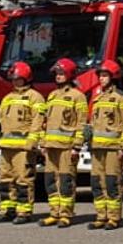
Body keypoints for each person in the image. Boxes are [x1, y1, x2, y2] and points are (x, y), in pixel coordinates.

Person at [36, 58, 89, 227]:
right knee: (51, 180)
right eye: (56, 74)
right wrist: (43, 143)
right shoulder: (52, 95)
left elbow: (81, 123)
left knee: (66, 181)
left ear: (69, 74)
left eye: (61, 73)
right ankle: (54, 212)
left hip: (67, 147)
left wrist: (77, 146)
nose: (58, 77)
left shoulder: (78, 96)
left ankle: (66, 214)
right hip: (51, 147)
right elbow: (45, 122)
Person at [0, 62, 43, 224]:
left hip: (23, 148)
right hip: (6, 147)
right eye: (12, 79)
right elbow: (0, 120)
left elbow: (38, 121)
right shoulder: (8, 98)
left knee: (23, 180)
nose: (14, 81)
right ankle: (7, 209)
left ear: (25, 78)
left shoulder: (35, 97)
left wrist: (32, 143)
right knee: (5, 179)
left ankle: (24, 211)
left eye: (17, 79)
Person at [86, 61, 123, 230]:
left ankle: (113, 217)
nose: (101, 78)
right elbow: (93, 122)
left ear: (113, 77)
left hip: (113, 148)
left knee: (112, 183)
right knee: (97, 182)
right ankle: (101, 215)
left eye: (105, 75)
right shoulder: (98, 97)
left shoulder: (122, 98)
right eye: (100, 75)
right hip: (97, 148)